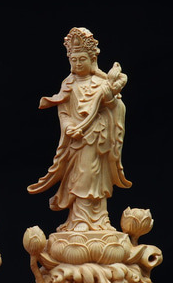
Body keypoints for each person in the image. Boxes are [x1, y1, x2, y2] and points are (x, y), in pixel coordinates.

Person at [28, 27, 132, 232]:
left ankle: (100, 220)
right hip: (77, 141)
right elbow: (63, 113)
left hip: (99, 137)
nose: (77, 63)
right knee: (80, 176)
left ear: (92, 59)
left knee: (97, 178)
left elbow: (118, 107)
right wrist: (68, 128)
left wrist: (110, 97)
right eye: (73, 60)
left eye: (82, 59)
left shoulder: (103, 82)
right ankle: (79, 220)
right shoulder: (68, 83)